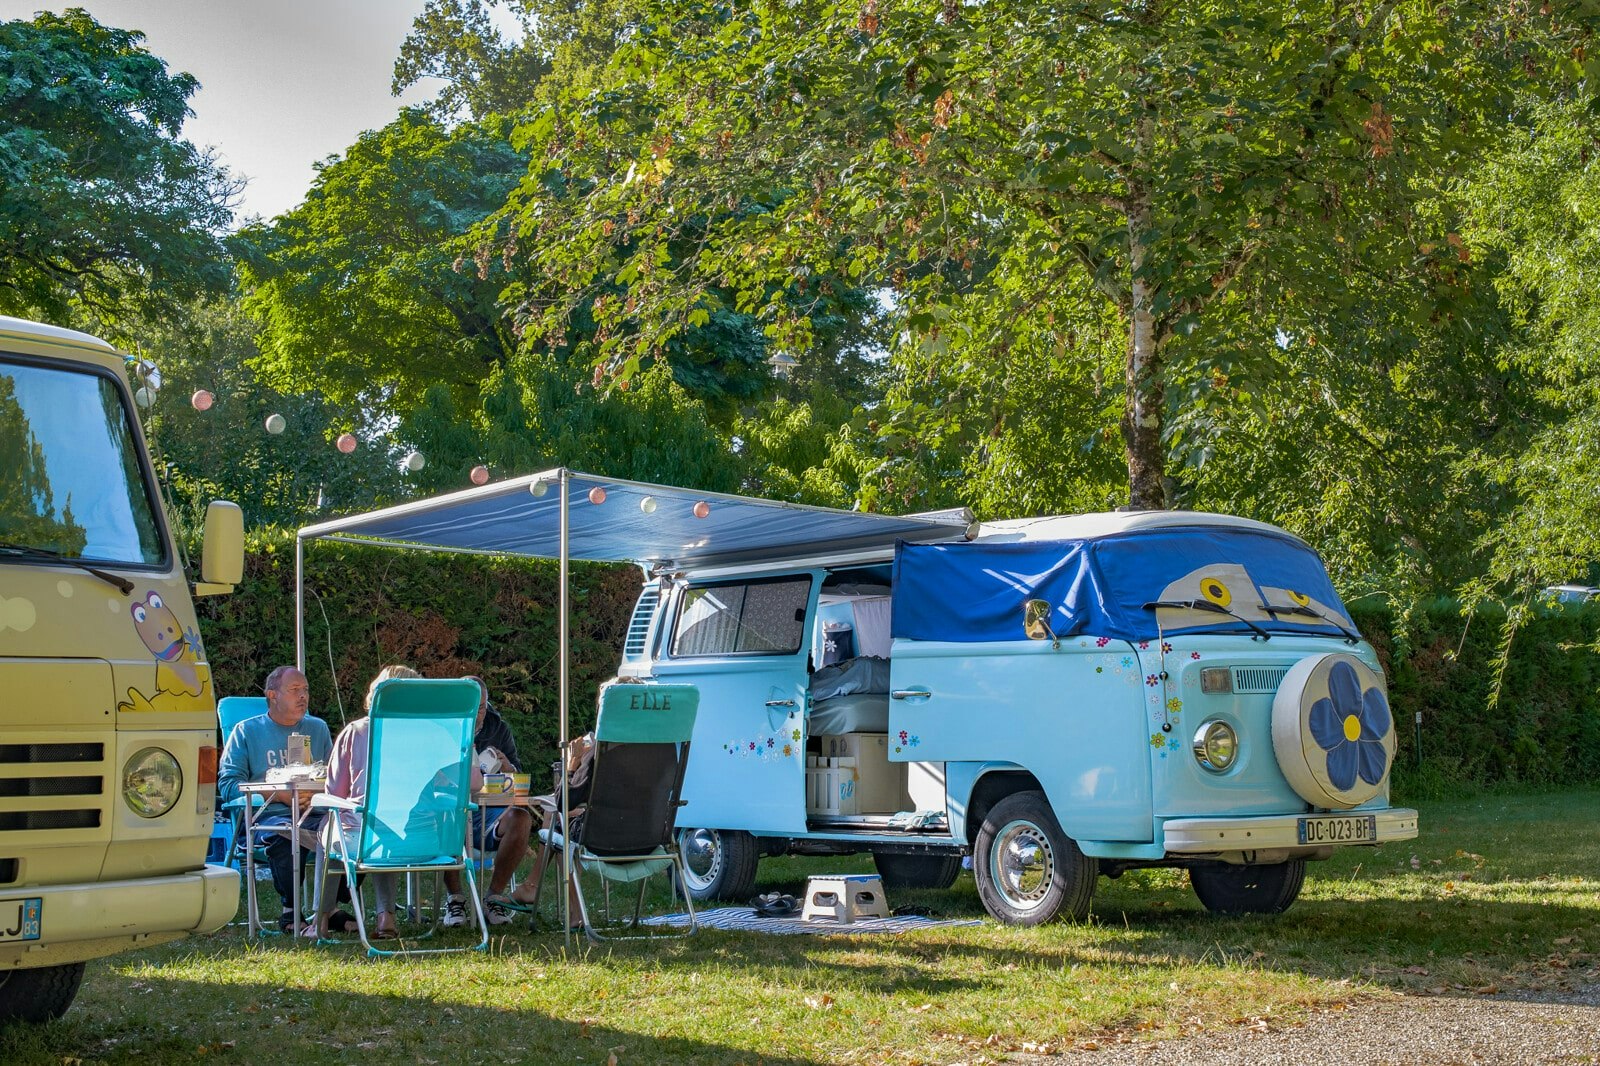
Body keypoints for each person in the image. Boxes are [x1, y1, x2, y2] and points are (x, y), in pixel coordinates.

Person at [218, 665, 334, 934]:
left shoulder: (318, 729)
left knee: (348, 831)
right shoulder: (245, 732)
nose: (303, 696)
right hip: (266, 818)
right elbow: (228, 785)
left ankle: (329, 911)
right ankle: (291, 913)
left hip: (313, 813)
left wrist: (313, 793)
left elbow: (334, 777)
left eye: (305, 690)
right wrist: (277, 793)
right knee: (285, 834)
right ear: (273, 695)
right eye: (294, 690)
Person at [311, 664, 419, 940]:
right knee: (384, 826)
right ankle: (386, 917)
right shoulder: (428, 735)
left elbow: (334, 793)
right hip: (422, 838)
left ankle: (320, 919)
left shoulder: (357, 731)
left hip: (364, 836)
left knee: (331, 824)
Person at [440, 675, 539, 926]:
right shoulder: (442, 727)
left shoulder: (498, 728)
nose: (476, 714)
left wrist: (508, 767)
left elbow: (518, 782)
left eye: (481, 707)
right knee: (447, 818)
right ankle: (455, 899)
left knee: (521, 818)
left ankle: (494, 897)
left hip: (491, 811)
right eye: (470, 707)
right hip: (452, 811)